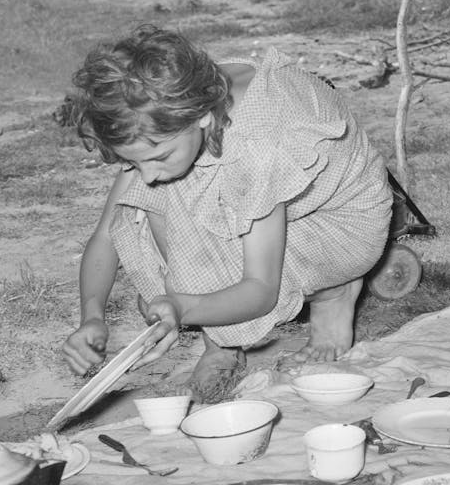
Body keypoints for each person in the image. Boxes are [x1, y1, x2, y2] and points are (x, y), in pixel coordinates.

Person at [60, 25, 393, 401]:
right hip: (286, 206)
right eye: (134, 163)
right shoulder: (166, 105)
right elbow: (107, 233)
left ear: (201, 118)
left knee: (188, 265)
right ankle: (221, 339)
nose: (147, 175)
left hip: (343, 225)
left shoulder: (255, 145)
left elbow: (260, 289)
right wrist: (92, 317)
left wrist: (183, 306)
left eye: (157, 159)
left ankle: (333, 292)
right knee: (157, 204)